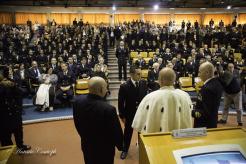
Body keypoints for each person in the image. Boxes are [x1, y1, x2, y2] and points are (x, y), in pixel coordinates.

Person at [73, 77, 123, 164]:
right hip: (105, 151)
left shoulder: (77, 102)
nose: (107, 90)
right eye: (106, 87)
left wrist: (84, 137)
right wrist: (120, 146)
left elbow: (77, 123)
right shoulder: (109, 109)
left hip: (87, 146)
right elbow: (116, 132)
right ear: (101, 89)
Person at [132, 67, 193, 133]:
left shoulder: (150, 97)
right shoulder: (185, 96)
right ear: (174, 80)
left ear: (159, 80)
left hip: (157, 140)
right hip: (180, 140)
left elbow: (138, 124)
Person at [118, 65, 148, 159]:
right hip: (129, 114)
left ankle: (143, 148)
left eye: (141, 74)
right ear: (131, 74)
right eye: (138, 74)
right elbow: (120, 102)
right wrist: (122, 116)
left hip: (142, 113)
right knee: (128, 133)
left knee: (142, 132)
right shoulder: (124, 86)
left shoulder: (143, 83)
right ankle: (125, 149)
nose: (140, 76)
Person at [0, 66, 31, 151]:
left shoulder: (11, 82)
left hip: (14, 111)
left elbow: (22, 93)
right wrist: (2, 85)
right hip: (2, 114)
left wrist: (13, 86)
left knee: (18, 130)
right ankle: (9, 151)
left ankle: (20, 146)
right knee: (5, 135)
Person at [192, 62, 223, 128]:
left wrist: (191, 112)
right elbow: (208, 104)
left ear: (207, 73)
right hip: (212, 121)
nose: (198, 74)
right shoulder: (216, 83)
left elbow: (205, 112)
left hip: (204, 125)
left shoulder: (207, 88)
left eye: (200, 72)